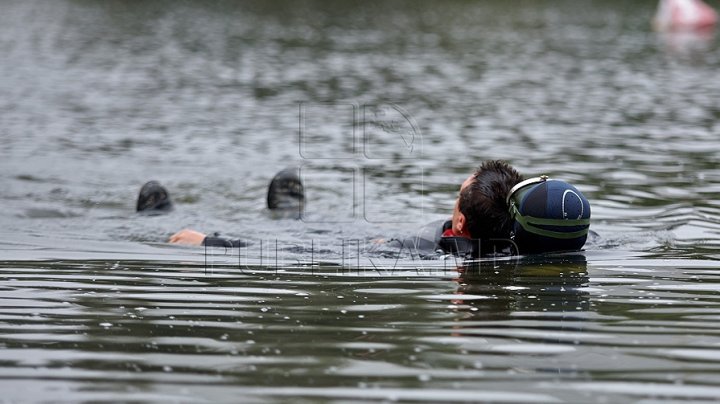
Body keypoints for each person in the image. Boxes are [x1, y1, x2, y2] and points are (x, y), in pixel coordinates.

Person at [143, 160, 591, 256]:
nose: (459, 185)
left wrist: (209, 241)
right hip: (375, 234)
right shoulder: (520, 243)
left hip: (370, 244)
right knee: (320, 225)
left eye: (461, 188)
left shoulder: (424, 251)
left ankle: (157, 218)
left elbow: (304, 259)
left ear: (459, 220)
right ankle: (289, 212)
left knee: (307, 236)